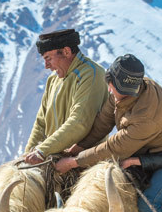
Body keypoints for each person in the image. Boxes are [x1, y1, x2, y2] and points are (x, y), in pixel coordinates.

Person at [54, 54, 162, 212]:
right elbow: (103, 122)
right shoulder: (126, 91)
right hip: (148, 152)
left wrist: (73, 162)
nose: (124, 94)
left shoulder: (146, 115)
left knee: (148, 205)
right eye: (119, 90)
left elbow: (115, 147)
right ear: (109, 82)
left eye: (127, 92)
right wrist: (78, 148)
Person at [22, 29, 108, 165]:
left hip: (84, 161)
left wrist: (43, 150)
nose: (46, 66)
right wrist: (27, 156)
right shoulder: (53, 80)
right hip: (53, 158)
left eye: (48, 58)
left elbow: (79, 122)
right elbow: (41, 123)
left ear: (66, 52)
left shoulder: (92, 74)